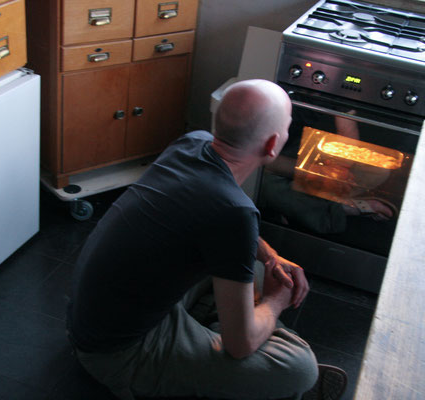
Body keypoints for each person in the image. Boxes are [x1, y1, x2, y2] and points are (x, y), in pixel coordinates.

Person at [66, 79, 347, 400]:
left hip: (97, 315)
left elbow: (219, 221)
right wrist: (276, 301)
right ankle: (240, 366)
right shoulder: (233, 212)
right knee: (300, 368)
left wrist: (270, 257)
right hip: (116, 353)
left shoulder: (192, 143)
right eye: (287, 127)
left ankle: (221, 345)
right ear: (273, 144)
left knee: (249, 269)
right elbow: (240, 346)